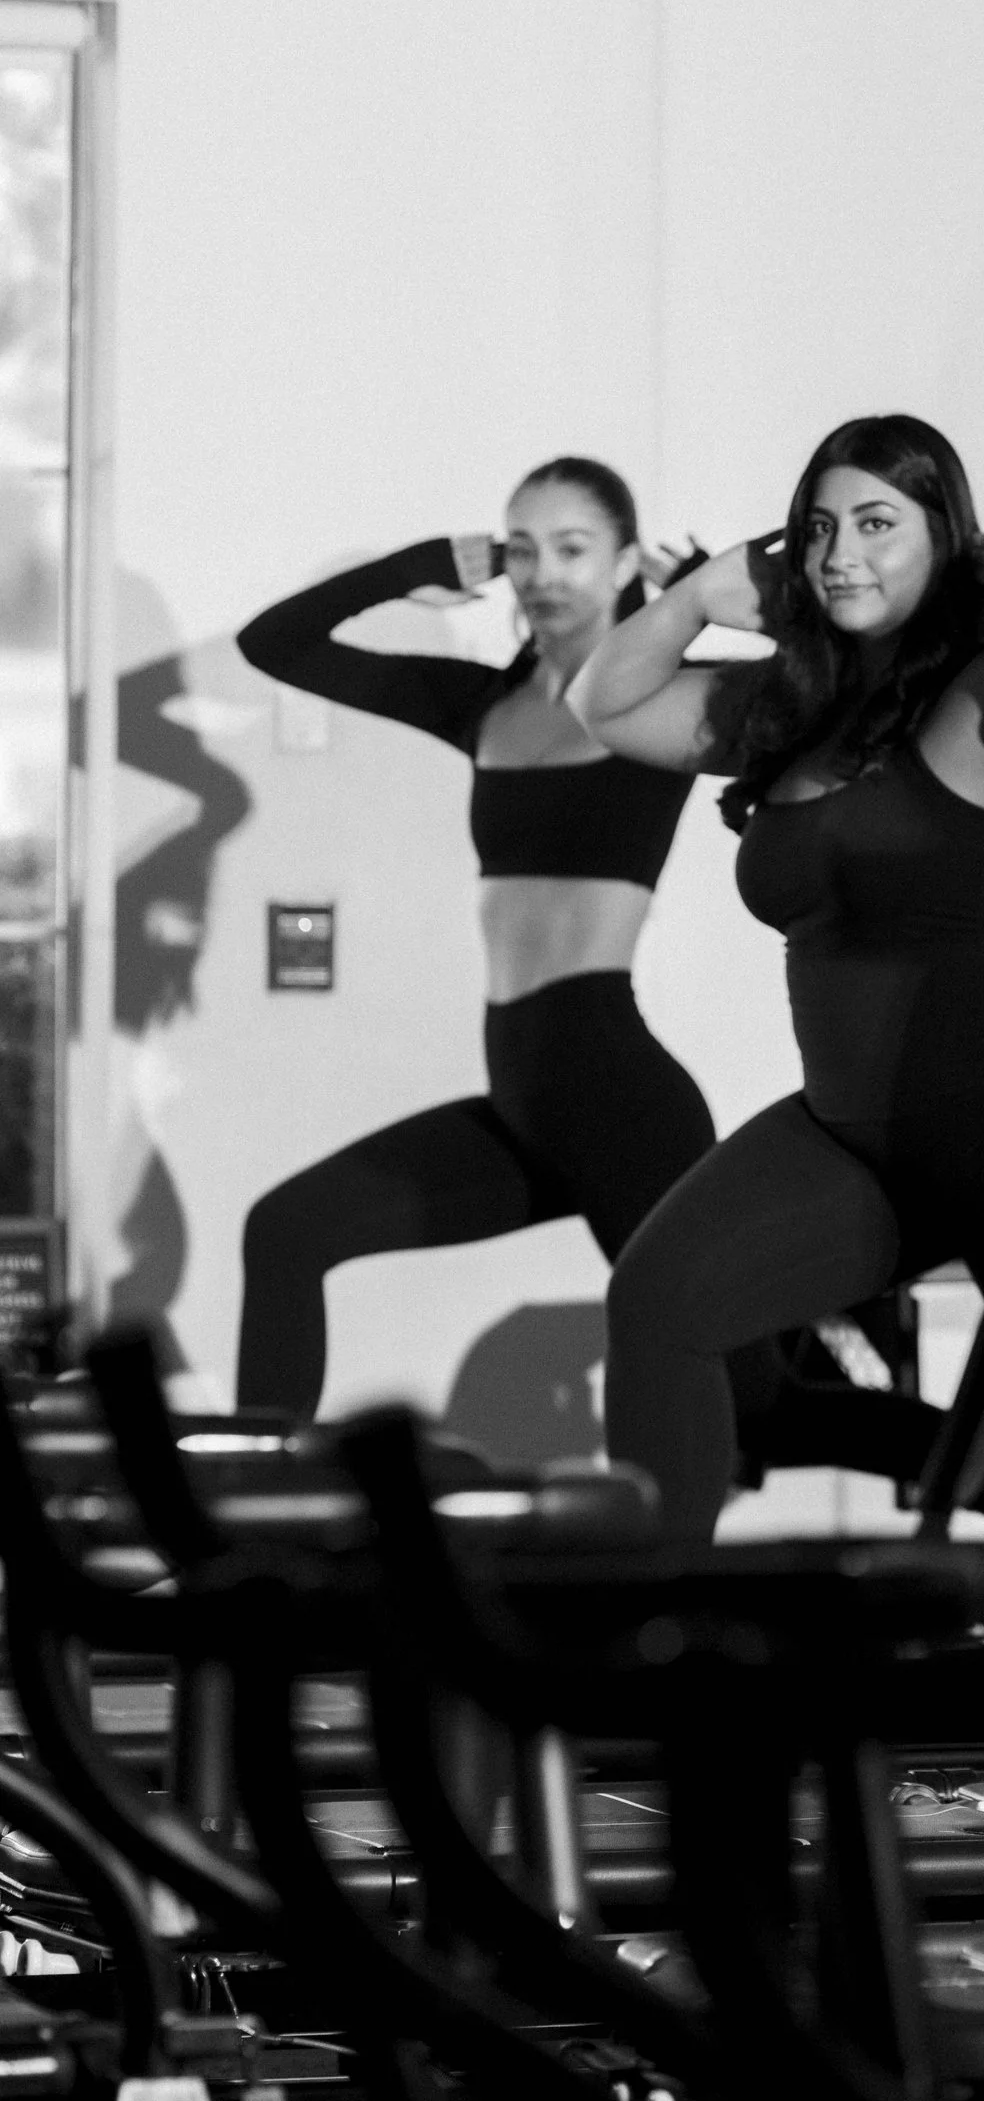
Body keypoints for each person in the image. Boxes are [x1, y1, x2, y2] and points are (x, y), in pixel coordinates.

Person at [576, 415, 984, 1544]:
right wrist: (701, 593)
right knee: (658, 1305)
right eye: (818, 528)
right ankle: (658, 1664)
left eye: (876, 524)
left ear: (946, 541)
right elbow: (603, 704)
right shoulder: (792, 711)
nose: (838, 552)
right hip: (858, 1143)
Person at [234, 460, 712, 1416]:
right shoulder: (484, 707)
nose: (544, 573)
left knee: (758, 1405)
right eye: (521, 548)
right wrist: (411, 566)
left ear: (626, 562)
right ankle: (263, 1530)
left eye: (573, 549)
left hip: (617, 1096)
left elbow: (831, 690)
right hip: (525, 1096)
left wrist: (710, 604)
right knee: (286, 1232)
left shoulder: (678, 701)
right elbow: (275, 644)